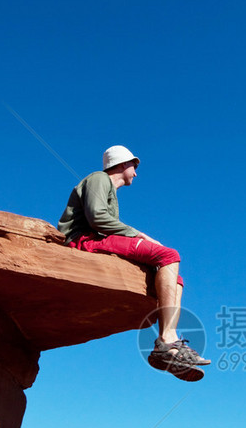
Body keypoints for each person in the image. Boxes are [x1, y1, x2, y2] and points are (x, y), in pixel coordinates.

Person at [58, 145, 209, 382]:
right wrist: (139, 235)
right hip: (84, 241)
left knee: (177, 280)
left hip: (99, 239)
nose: (136, 173)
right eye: (134, 166)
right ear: (121, 164)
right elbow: (97, 218)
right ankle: (168, 340)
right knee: (169, 255)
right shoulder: (99, 178)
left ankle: (167, 348)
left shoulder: (109, 189)